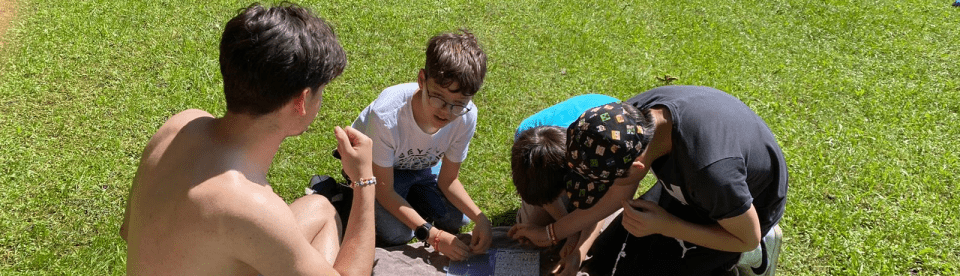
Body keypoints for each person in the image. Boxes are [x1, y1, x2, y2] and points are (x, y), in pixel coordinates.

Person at [119, 3, 378, 275]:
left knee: (321, 209)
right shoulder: (253, 208)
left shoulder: (180, 124)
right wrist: (364, 180)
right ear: (301, 101)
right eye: (321, 91)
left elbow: (129, 231)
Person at [510, 85, 788, 275]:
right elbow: (618, 196)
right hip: (689, 191)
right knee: (606, 258)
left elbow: (747, 237)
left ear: (636, 168)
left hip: (744, 213)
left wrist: (668, 226)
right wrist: (552, 233)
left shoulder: (710, 173)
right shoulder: (629, 119)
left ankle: (757, 252)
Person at [350, 29, 490, 261]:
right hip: (375, 173)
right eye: (438, 98)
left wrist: (481, 218)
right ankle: (351, 200)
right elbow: (384, 191)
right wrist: (432, 236)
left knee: (458, 221)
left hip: (420, 168)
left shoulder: (466, 116)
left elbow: (449, 180)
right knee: (396, 234)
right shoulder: (386, 116)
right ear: (422, 80)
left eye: (459, 104)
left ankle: (414, 198)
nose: (446, 112)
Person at [510, 94, 618, 275]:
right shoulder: (525, 138)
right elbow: (544, 196)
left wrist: (579, 253)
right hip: (567, 162)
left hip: (606, 140)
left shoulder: (597, 153)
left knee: (605, 236)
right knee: (532, 227)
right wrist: (569, 233)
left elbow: (601, 205)